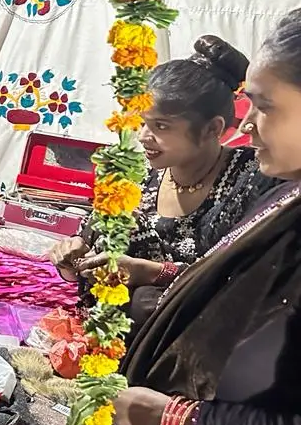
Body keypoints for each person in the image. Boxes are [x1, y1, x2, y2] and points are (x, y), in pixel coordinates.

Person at [95, 8, 301, 425]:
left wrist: (168, 417)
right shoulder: (288, 196)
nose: (248, 126)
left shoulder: (257, 183)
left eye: (265, 106)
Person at [48, 36, 278, 297]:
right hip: (121, 316)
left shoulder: (254, 178)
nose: (143, 136)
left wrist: (155, 273)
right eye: (142, 123)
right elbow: (86, 251)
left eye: (161, 126)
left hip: (202, 319)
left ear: (212, 129)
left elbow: (246, 281)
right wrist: (72, 256)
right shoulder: (137, 178)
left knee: (143, 300)